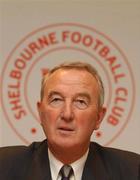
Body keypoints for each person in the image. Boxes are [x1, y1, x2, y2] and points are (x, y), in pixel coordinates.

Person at [0, 61, 139, 180]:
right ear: (41, 112)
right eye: (56, 100)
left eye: (80, 102)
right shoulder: (4, 166)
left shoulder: (132, 171)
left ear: (98, 117)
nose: (67, 114)